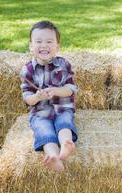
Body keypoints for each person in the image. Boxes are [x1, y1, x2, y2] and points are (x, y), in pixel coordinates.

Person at [20, 20, 78, 173]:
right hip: (40, 113)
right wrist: (37, 97)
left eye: (49, 41)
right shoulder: (27, 70)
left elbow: (71, 89)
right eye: (38, 41)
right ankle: (53, 156)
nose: (44, 45)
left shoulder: (64, 64)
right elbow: (27, 98)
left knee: (64, 123)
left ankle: (66, 144)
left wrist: (56, 91)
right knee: (44, 131)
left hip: (62, 108)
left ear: (57, 46)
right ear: (31, 45)